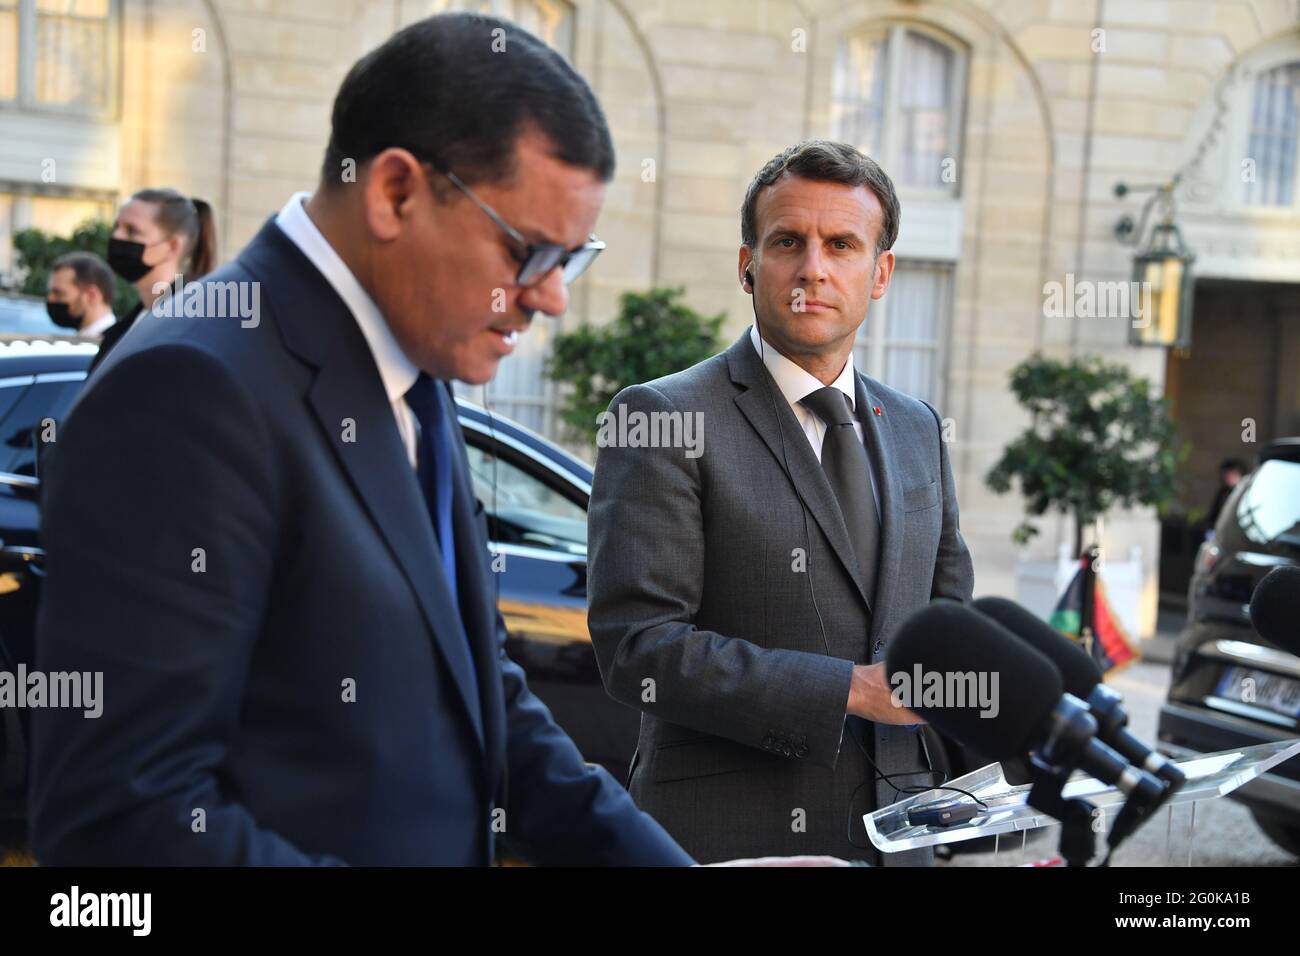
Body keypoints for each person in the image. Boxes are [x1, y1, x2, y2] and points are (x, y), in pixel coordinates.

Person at [29, 12, 840, 868]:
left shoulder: (412, 360)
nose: (552, 298)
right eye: (530, 252)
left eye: (572, 259)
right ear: (395, 194)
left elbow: (484, 697)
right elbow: (121, 826)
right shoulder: (191, 388)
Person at [587, 140, 976, 865]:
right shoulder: (661, 417)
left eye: (842, 244)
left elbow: (948, 618)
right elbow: (637, 649)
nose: (813, 268)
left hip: (908, 834)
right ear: (747, 265)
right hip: (732, 832)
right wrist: (849, 691)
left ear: (881, 272)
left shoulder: (918, 425)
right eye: (788, 242)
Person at [93, 187, 217, 372]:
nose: (116, 236)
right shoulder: (136, 321)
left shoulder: (185, 328)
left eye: (132, 231)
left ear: (172, 246)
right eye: (116, 227)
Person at [45, 252, 117, 342]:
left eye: (59, 293)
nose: (50, 299)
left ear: (92, 295)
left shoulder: (113, 347)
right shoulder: (85, 343)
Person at [1206, 456, 1248, 536]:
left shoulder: (1247, 491)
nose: (1227, 478)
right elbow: (1213, 515)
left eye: (1231, 474)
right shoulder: (1223, 492)